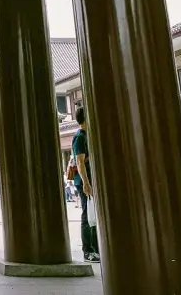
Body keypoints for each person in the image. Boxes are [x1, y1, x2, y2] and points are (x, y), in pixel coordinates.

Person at [73, 107, 100, 263]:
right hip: (85, 180)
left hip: (90, 179)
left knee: (93, 214)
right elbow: (80, 161)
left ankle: (96, 248)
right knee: (87, 214)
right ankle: (88, 250)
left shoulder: (88, 136)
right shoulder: (80, 137)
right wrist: (86, 183)